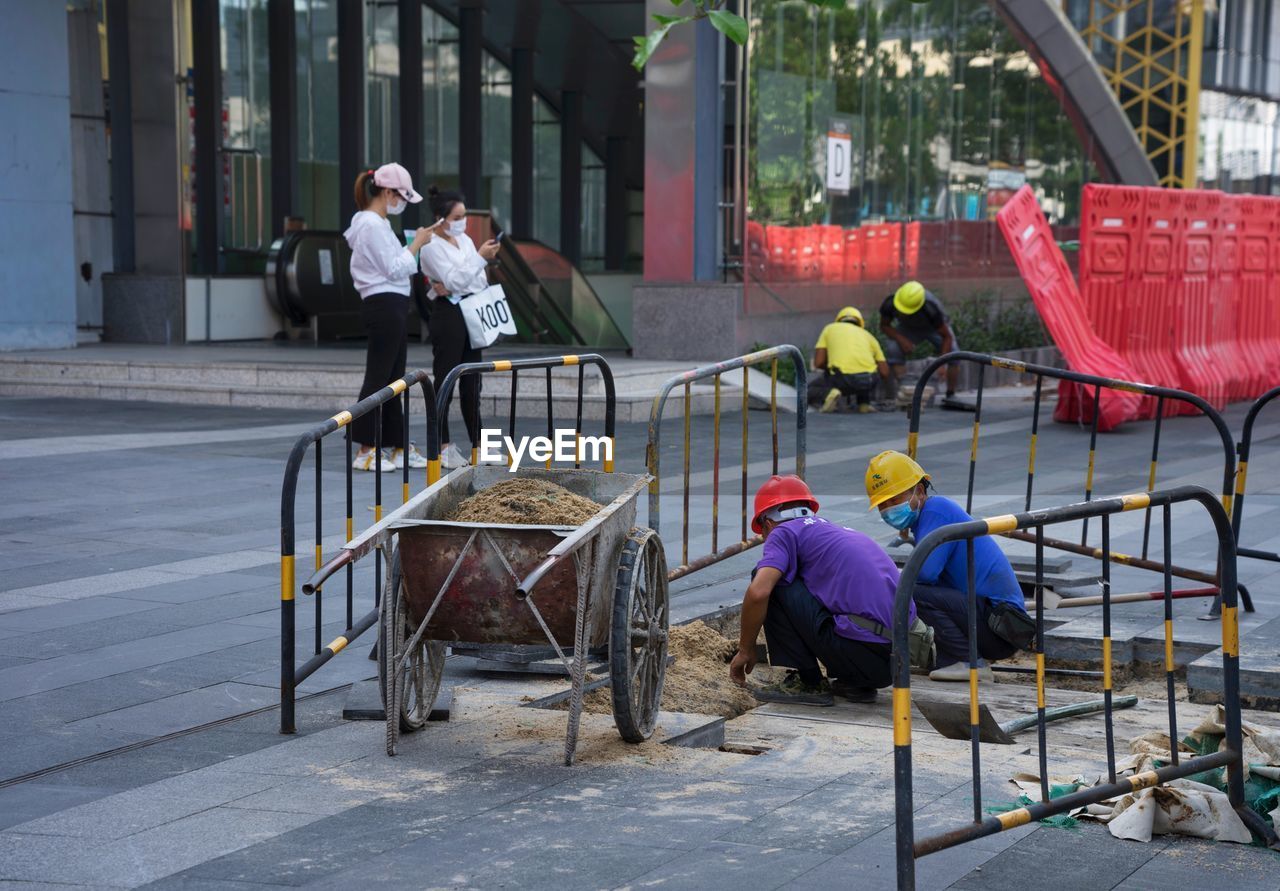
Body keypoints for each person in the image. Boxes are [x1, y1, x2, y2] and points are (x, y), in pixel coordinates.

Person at [728, 475, 910, 705]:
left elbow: (758, 593)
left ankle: (808, 682)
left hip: (864, 654)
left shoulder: (783, 532)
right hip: (895, 661)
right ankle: (855, 683)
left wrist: (746, 649)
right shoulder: (832, 531)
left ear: (768, 523)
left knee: (766, 579)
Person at [865, 450, 1033, 682]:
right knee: (910, 589)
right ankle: (954, 658)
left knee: (909, 591)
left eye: (895, 500)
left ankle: (969, 662)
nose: (888, 510)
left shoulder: (937, 511)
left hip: (999, 627)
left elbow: (925, 572)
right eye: (883, 505)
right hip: (992, 624)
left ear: (920, 492)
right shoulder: (927, 518)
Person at [344, 164, 440, 473]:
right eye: (401, 196)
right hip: (384, 304)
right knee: (380, 377)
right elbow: (394, 268)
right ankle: (366, 448)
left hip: (391, 304)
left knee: (393, 378)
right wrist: (416, 244)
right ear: (387, 192)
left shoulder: (375, 223)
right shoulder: (371, 225)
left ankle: (396, 444)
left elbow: (394, 267)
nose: (402, 203)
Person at [418, 187, 502, 469]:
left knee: (473, 383)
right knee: (446, 382)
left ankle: (480, 446)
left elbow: (473, 282)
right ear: (440, 217)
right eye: (457, 216)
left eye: (464, 215)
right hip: (448, 316)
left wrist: (463, 274)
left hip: (471, 311)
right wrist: (476, 261)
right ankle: (443, 446)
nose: (462, 221)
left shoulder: (464, 240)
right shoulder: (430, 246)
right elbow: (453, 281)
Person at [878, 280, 961, 405]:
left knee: (954, 353)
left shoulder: (931, 308)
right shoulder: (890, 303)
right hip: (908, 328)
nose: (903, 313)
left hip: (934, 329)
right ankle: (905, 394)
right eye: (901, 310)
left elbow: (946, 337)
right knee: (893, 348)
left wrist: (942, 364)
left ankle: (950, 395)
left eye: (907, 311)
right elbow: (884, 326)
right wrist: (901, 339)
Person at [808, 306, 890, 414]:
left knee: (811, 388)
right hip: (868, 382)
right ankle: (864, 404)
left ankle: (829, 393)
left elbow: (818, 363)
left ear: (839, 320)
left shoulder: (830, 328)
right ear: (860, 322)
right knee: (866, 371)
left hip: (842, 380)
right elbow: (885, 372)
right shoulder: (869, 336)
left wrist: (831, 366)